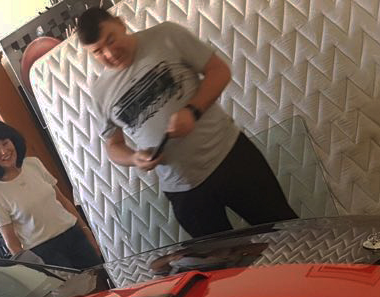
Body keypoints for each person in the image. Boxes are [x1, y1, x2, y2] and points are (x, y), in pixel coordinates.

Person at [78, 8, 297, 238]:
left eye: (111, 40)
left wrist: (192, 111)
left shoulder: (166, 35)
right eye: (98, 52)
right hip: (183, 191)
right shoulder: (100, 92)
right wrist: (133, 158)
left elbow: (219, 71)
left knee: (287, 233)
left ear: (121, 23)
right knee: (221, 259)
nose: (110, 54)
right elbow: (113, 145)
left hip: (231, 158)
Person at [0, 121, 101, 269]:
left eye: (5, 143)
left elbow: (63, 201)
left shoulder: (33, 164)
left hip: (75, 236)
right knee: (78, 285)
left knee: (103, 280)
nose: (4, 151)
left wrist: (86, 231)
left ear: (13, 141)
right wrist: (34, 270)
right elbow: (12, 243)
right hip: (45, 254)